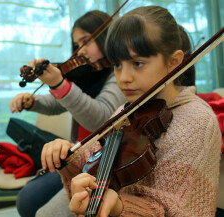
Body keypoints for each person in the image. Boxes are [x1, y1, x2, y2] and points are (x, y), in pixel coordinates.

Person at [41, 6, 222, 217]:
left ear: (174, 62)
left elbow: (173, 210)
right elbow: (96, 157)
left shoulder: (196, 120)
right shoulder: (125, 111)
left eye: (137, 63)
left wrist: (119, 207)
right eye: (118, 65)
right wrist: (67, 155)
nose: (124, 78)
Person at [9, 10, 126, 217]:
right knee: (26, 200)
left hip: (101, 162)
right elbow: (59, 103)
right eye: (76, 44)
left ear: (105, 37)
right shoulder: (88, 74)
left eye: (86, 41)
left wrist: (60, 84)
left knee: (33, 207)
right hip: (77, 155)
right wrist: (32, 102)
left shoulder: (119, 74)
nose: (80, 51)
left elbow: (101, 118)